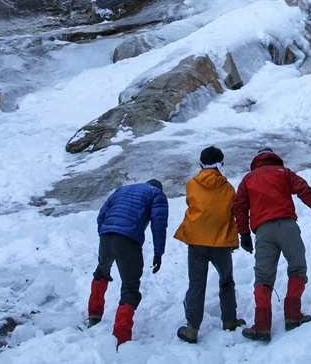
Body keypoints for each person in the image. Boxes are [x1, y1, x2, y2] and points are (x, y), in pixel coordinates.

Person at [234, 147, 311, 342]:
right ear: (273, 158)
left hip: (263, 231)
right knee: (297, 268)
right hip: (288, 227)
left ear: (257, 160)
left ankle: (262, 326)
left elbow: (240, 206)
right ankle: (293, 316)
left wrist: (244, 233)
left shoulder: (248, 179)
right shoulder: (284, 173)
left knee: (263, 276)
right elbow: (305, 190)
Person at [173, 146, 247, 344]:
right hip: (221, 242)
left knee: (196, 284)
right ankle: (230, 319)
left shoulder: (191, 184)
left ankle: (191, 328)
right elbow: (233, 212)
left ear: (200, 165)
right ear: (221, 165)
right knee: (226, 281)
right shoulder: (229, 188)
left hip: (197, 241)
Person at [87, 178, 169, 347]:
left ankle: (94, 314)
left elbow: (102, 214)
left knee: (101, 272)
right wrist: (158, 253)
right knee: (130, 286)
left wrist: (104, 233)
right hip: (128, 240)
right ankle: (121, 336)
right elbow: (158, 225)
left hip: (107, 234)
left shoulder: (122, 190)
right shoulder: (157, 194)